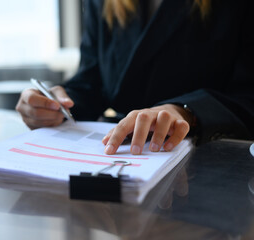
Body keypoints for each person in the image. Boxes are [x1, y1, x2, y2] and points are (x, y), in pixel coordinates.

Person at [16, 0, 254, 155]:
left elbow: (248, 94)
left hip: (209, 165)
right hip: (127, 165)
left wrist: (185, 111)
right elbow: (91, 82)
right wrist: (56, 104)